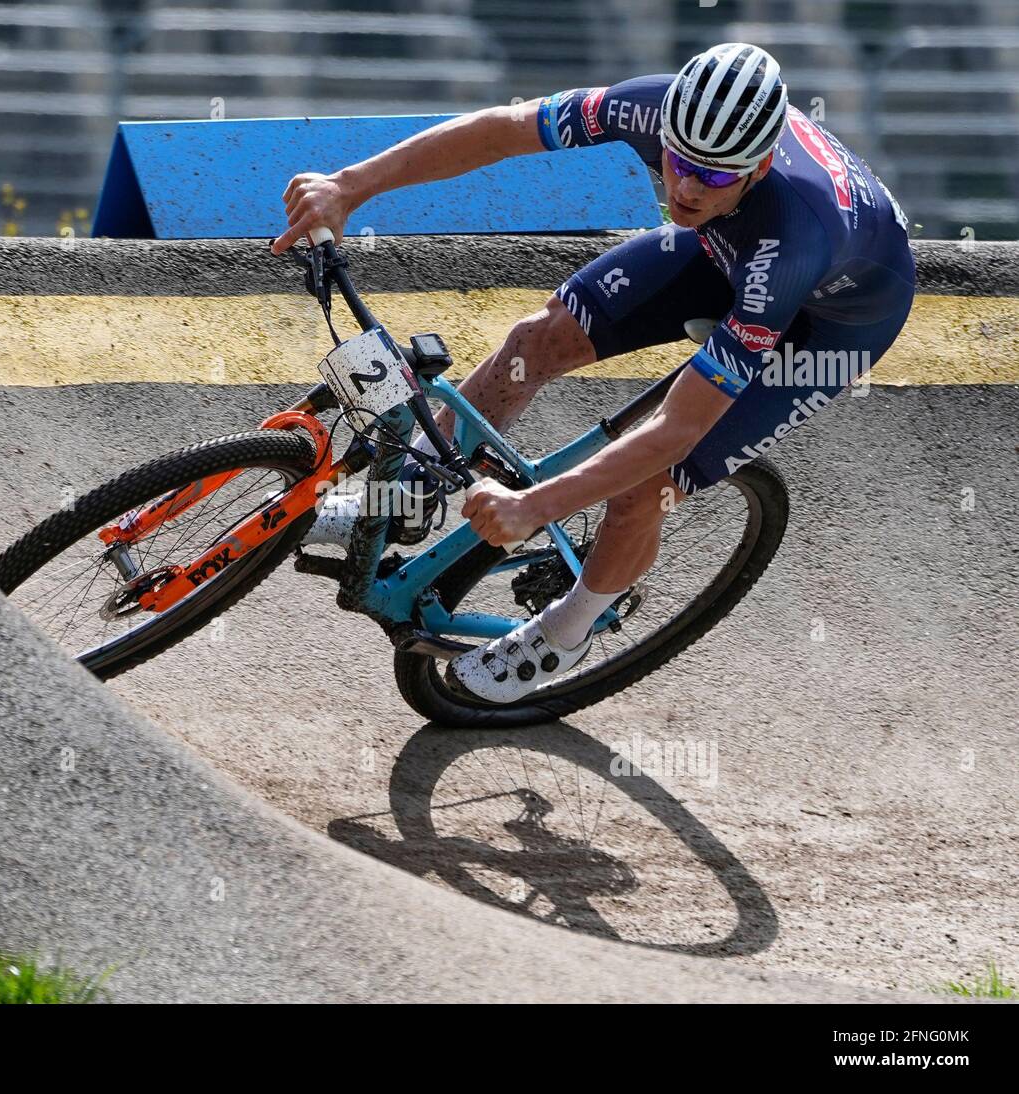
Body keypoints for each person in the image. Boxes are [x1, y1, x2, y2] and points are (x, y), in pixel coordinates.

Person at [271, 42, 915, 704]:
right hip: (725, 248)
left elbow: (676, 428)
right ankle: (407, 494)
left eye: (715, 177)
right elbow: (504, 131)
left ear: (759, 169)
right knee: (535, 341)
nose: (686, 188)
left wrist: (534, 507)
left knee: (646, 486)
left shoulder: (791, 242)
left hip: (828, 318)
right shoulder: (650, 107)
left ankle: (566, 632)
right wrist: (349, 186)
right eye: (680, 163)